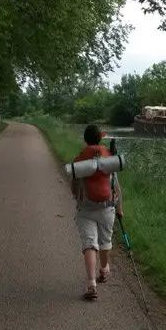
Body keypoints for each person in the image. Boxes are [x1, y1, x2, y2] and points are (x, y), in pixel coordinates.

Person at [70, 124, 123, 301]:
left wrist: (76, 194)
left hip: (86, 208)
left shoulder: (80, 159)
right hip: (108, 207)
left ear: (85, 139)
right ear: (100, 137)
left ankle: (92, 284)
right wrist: (120, 209)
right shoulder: (109, 156)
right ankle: (104, 268)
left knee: (89, 244)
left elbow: (74, 185)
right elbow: (116, 186)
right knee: (105, 241)